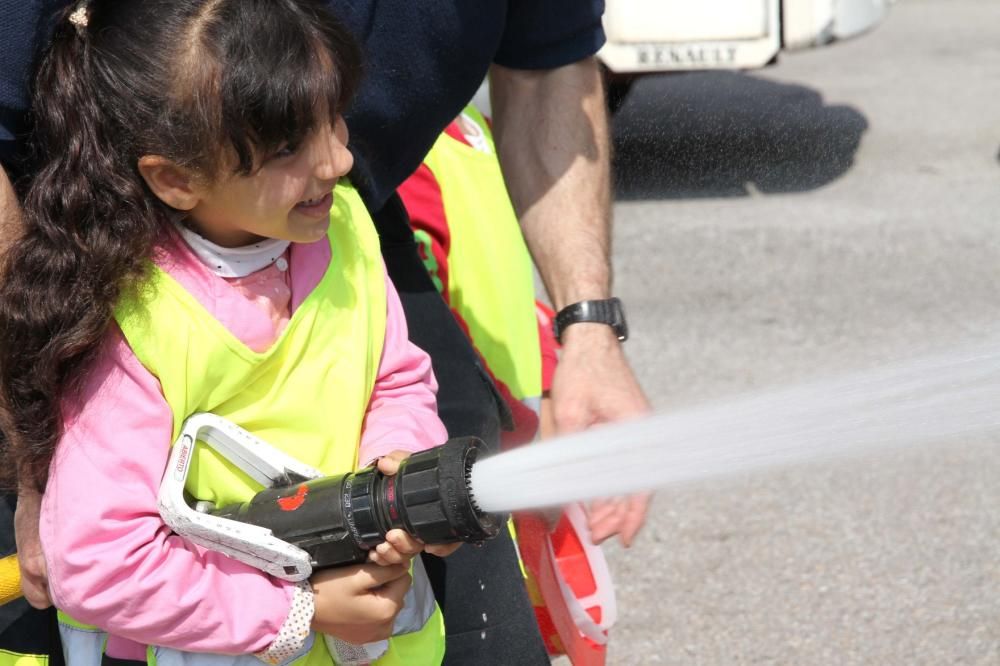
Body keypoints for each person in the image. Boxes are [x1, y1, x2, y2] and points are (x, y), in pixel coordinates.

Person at [1, 1, 651, 663]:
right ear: (175, 177)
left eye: (334, 117)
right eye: (289, 145)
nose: (339, 160)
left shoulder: (344, 233)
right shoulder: (134, 327)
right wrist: (297, 612)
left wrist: (400, 462)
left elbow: (395, 377)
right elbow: (96, 563)